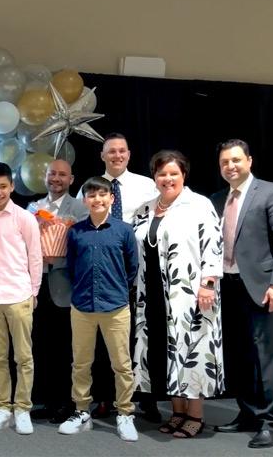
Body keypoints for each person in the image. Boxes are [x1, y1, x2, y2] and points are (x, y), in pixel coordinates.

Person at [211, 139, 273, 449]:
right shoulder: (217, 199)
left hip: (264, 288)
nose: (230, 166)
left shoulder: (272, 192)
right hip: (229, 286)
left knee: (267, 356)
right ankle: (247, 413)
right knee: (239, 356)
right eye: (224, 162)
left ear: (249, 160)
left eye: (235, 160)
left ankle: (270, 421)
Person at [133, 150, 224, 438]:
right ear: (154, 177)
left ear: (184, 174)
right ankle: (178, 412)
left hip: (190, 294)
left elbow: (213, 245)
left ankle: (195, 414)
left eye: (173, 173)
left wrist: (208, 284)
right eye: (161, 174)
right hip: (153, 296)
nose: (167, 178)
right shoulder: (145, 209)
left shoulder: (199, 204)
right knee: (166, 352)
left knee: (192, 350)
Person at [78, 132, 159, 421]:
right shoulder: (90, 188)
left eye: (121, 150)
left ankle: (145, 397)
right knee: (101, 342)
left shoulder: (146, 185)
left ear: (128, 154)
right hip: (102, 277)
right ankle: (103, 398)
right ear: (102, 156)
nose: (116, 155)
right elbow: (80, 230)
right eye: (110, 151)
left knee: (141, 335)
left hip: (139, 271)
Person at [58, 176, 138, 441]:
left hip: (116, 307)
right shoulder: (76, 232)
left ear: (111, 199)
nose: (97, 199)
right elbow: (71, 267)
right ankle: (82, 412)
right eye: (91, 195)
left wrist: (115, 288)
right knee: (80, 364)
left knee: (122, 365)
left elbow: (132, 268)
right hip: (82, 307)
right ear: (85, 200)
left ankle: (125, 413)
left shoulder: (124, 231)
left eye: (102, 194)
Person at [0, 162, 42, 435]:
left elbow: (35, 255)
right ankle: (2, 407)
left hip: (19, 295)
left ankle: (22, 409)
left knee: (24, 357)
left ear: (12, 186)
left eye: (3, 186)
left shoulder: (24, 217)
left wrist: (34, 292)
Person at [31, 159, 88, 424]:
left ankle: (67, 403)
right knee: (42, 347)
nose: (56, 178)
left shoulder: (80, 208)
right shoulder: (33, 208)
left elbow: (85, 247)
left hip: (66, 288)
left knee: (66, 349)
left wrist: (57, 258)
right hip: (37, 289)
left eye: (62, 175)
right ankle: (48, 401)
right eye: (52, 173)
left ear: (71, 179)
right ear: (45, 176)